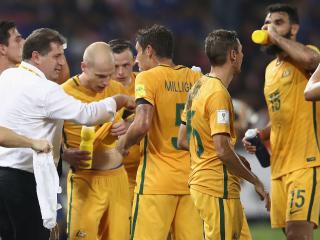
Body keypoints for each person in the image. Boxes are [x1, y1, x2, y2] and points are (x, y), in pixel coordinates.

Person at [0, 28, 134, 240]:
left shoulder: (7, 76)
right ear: (36, 56)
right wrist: (118, 100)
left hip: (4, 175)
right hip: (30, 180)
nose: (62, 62)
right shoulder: (50, 90)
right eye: (56, 56)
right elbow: (87, 114)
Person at [177, 29, 269, 240]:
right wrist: (255, 180)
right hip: (216, 186)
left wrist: (231, 158)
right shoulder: (218, 93)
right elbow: (222, 151)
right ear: (233, 55)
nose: (243, 56)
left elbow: (182, 139)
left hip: (207, 183)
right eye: (241, 51)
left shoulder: (198, 86)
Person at [117, 24, 203, 240]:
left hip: (156, 181)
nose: (136, 60)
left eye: (137, 52)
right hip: (192, 179)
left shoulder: (147, 77)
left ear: (149, 50)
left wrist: (123, 145)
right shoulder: (194, 78)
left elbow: (143, 123)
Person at [243, 4, 320, 240]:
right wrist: (262, 134)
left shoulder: (306, 55)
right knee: (290, 234)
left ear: (293, 29)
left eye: (278, 23)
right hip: (279, 167)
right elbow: (280, 118)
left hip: (305, 162)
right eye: (267, 23)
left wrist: (275, 37)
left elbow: (312, 59)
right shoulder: (269, 70)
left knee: (298, 234)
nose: (269, 28)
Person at [62, 42, 132, 240]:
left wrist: (127, 127)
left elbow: (136, 114)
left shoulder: (116, 88)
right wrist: (65, 153)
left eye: (109, 75)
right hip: (85, 181)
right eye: (100, 76)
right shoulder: (63, 93)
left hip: (118, 180)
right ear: (84, 67)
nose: (106, 82)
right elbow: (47, 133)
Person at [109, 39, 140, 202]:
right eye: (115, 66)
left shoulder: (146, 83)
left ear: (135, 61)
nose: (120, 72)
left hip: (145, 172)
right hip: (114, 173)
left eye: (125, 65)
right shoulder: (100, 89)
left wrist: (130, 122)